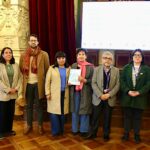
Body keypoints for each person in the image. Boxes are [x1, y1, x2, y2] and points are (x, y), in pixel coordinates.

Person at [85, 51, 120, 141]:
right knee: (95, 117)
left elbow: (118, 85)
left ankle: (106, 134)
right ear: (102, 59)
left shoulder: (116, 71)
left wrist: (109, 95)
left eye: (109, 58)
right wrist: (100, 95)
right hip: (98, 98)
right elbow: (93, 83)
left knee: (107, 118)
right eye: (105, 58)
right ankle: (93, 133)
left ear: (112, 60)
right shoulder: (96, 69)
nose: (107, 60)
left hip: (109, 98)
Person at [19, 34, 50, 135]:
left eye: (35, 40)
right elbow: (21, 68)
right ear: (28, 42)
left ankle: (40, 126)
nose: (33, 42)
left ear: (38, 42)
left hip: (38, 84)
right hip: (27, 84)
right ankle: (29, 125)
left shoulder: (44, 54)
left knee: (39, 106)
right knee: (28, 106)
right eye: (31, 40)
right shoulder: (23, 55)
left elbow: (47, 69)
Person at [120, 49, 150, 143]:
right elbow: (122, 81)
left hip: (140, 98)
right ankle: (126, 134)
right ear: (132, 57)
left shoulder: (147, 69)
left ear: (142, 58)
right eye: (135, 55)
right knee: (127, 117)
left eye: (139, 55)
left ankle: (137, 135)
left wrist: (139, 92)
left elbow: (148, 83)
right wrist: (127, 91)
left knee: (138, 117)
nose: (137, 57)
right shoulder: (126, 68)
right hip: (127, 97)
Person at [69, 48, 94, 137]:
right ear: (77, 56)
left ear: (86, 56)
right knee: (75, 110)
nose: (81, 56)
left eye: (83, 54)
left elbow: (93, 81)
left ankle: (83, 130)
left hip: (86, 92)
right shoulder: (73, 65)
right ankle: (75, 129)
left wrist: (85, 80)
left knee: (85, 110)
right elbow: (70, 78)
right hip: (75, 92)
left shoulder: (90, 67)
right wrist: (69, 82)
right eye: (79, 54)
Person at [45, 51, 70, 136]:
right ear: (56, 59)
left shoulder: (69, 68)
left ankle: (62, 130)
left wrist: (70, 82)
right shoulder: (51, 68)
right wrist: (47, 93)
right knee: (54, 113)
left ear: (65, 59)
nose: (61, 60)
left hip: (65, 94)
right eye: (59, 58)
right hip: (54, 94)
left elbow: (71, 80)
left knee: (62, 113)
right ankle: (55, 131)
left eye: (63, 58)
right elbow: (47, 82)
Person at [0, 47, 22, 139]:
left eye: (10, 52)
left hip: (13, 93)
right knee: (2, 113)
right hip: (3, 94)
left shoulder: (15, 65)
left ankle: (8, 130)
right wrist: (7, 89)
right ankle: (1, 132)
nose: (8, 54)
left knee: (10, 112)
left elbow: (20, 77)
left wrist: (16, 88)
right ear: (2, 55)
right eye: (6, 52)